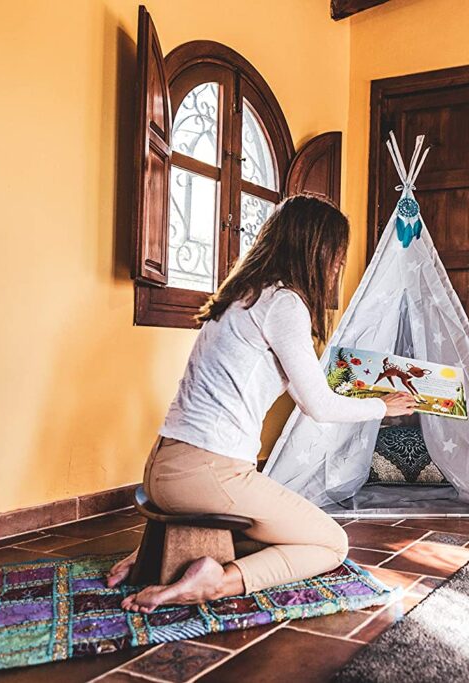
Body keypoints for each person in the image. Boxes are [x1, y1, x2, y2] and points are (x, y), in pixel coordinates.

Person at [108, 194, 417, 612]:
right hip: (207, 474)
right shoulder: (284, 303)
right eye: (337, 256)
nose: (338, 267)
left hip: (163, 471)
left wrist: (355, 384)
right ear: (315, 250)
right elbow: (319, 407)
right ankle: (216, 582)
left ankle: (160, 558)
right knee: (330, 542)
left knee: (272, 526)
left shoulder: (242, 297)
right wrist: (385, 406)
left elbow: (305, 387)